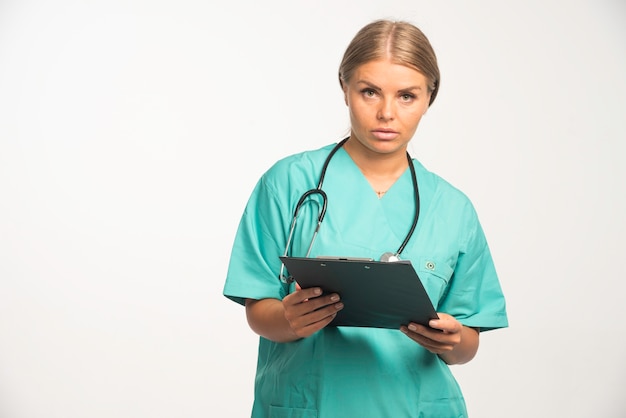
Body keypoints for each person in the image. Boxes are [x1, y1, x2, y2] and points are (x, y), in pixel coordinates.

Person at [223, 18, 508, 418]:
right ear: (345, 89)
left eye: (407, 96)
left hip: (416, 406)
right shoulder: (287, 184)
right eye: (370, 91)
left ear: (430, 97)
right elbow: (258, 307)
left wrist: (453, 339)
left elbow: (468, 341)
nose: (386, 113)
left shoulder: (453, 208)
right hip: (309, 404)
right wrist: (289, 319)